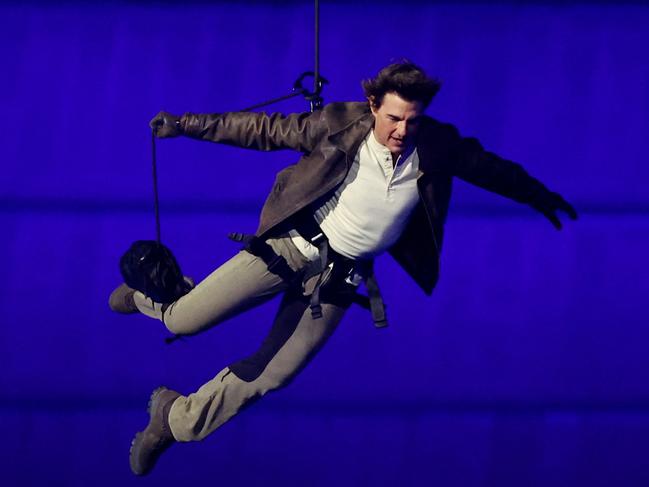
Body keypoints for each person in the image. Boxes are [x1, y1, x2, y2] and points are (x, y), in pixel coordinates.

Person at [109, 61, 577, 476]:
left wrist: (540, 196)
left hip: (337, 277)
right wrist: (186, 124)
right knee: (184, 318)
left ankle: (175, 419)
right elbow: (263, 129)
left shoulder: (436, 145)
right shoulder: (339, 123)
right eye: (393, 118)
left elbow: (492, 169)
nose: (400, 130)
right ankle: (142, 299)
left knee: (276, 373)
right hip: (290, 247)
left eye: (411, 121)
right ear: (374, 105)